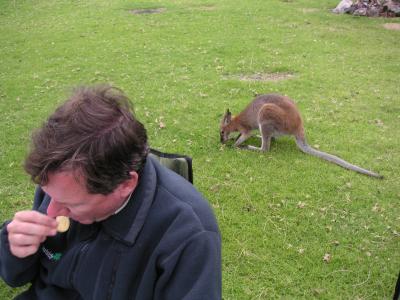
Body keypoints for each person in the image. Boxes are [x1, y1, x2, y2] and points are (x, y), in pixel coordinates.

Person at [0, 85, 221, 299]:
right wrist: (16, 249)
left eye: (71, 205)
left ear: (125, 185)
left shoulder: (187, 233)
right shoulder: (62, 187)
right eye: (49, 195)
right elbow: (16, 277)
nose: (51, 211)